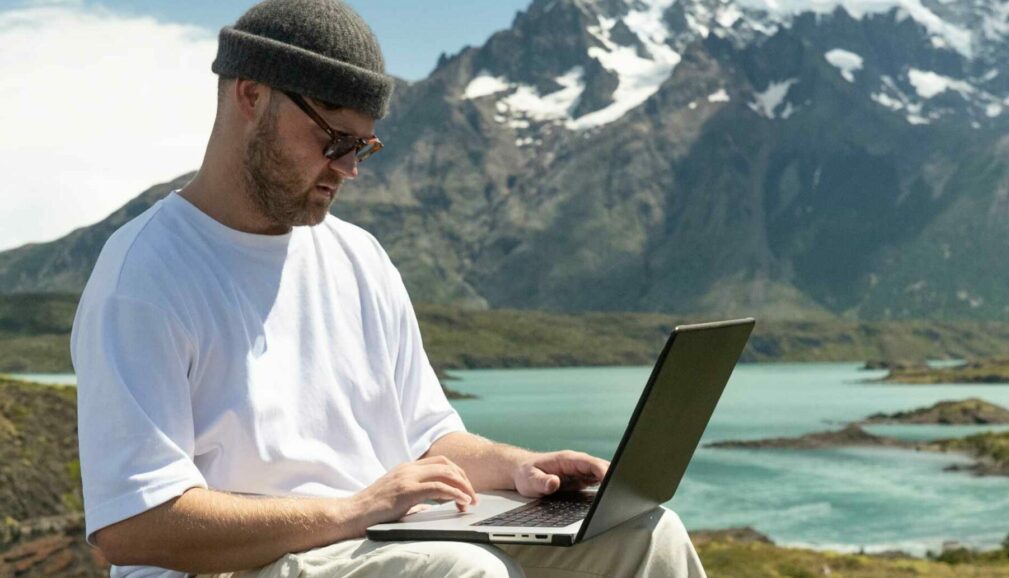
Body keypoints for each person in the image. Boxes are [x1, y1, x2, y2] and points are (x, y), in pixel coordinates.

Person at [70, 1, 709, 577]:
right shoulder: (143, 277)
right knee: (467, 574)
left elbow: (431, 438)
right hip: (246, 565)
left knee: (646, 536)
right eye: (334, 141)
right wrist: (354, 509)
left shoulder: (358, 256)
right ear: (250, 94)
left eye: (363, 147)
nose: (349, 169)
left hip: (375, 543)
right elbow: (133, 526)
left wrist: (521, 466)